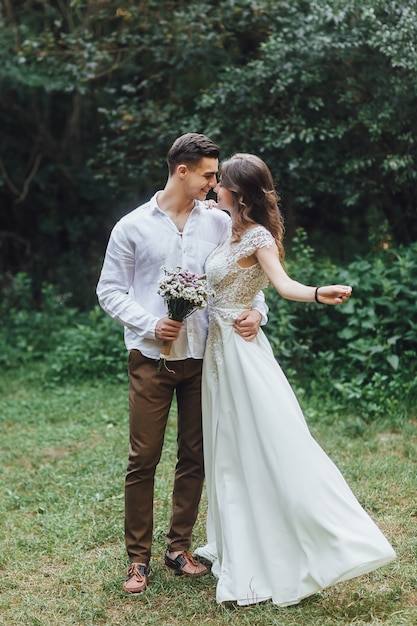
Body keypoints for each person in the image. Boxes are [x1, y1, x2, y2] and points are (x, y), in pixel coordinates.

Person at [194, 153, 396, 606]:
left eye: (219, 181)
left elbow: (282, 285)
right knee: (226, 447)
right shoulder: (221, 223)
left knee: (265, 442)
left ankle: (321, 540)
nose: (213, 186)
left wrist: (320, 293)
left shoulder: (258, 236)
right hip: (217, 353)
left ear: (237, 192)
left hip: (242, 355)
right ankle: (237, 543)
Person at [96, 135, 267, 594]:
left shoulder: (217, 222)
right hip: (151, 360)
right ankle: (137, 560)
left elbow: (245, 273)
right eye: (210, 174)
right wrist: (150, 323)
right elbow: (109, 290)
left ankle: (179, 548)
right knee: (143, 458)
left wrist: (258, 312)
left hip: (204, 357)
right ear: (182, 171)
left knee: (195, 456)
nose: (216, 184)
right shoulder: (131, 227)